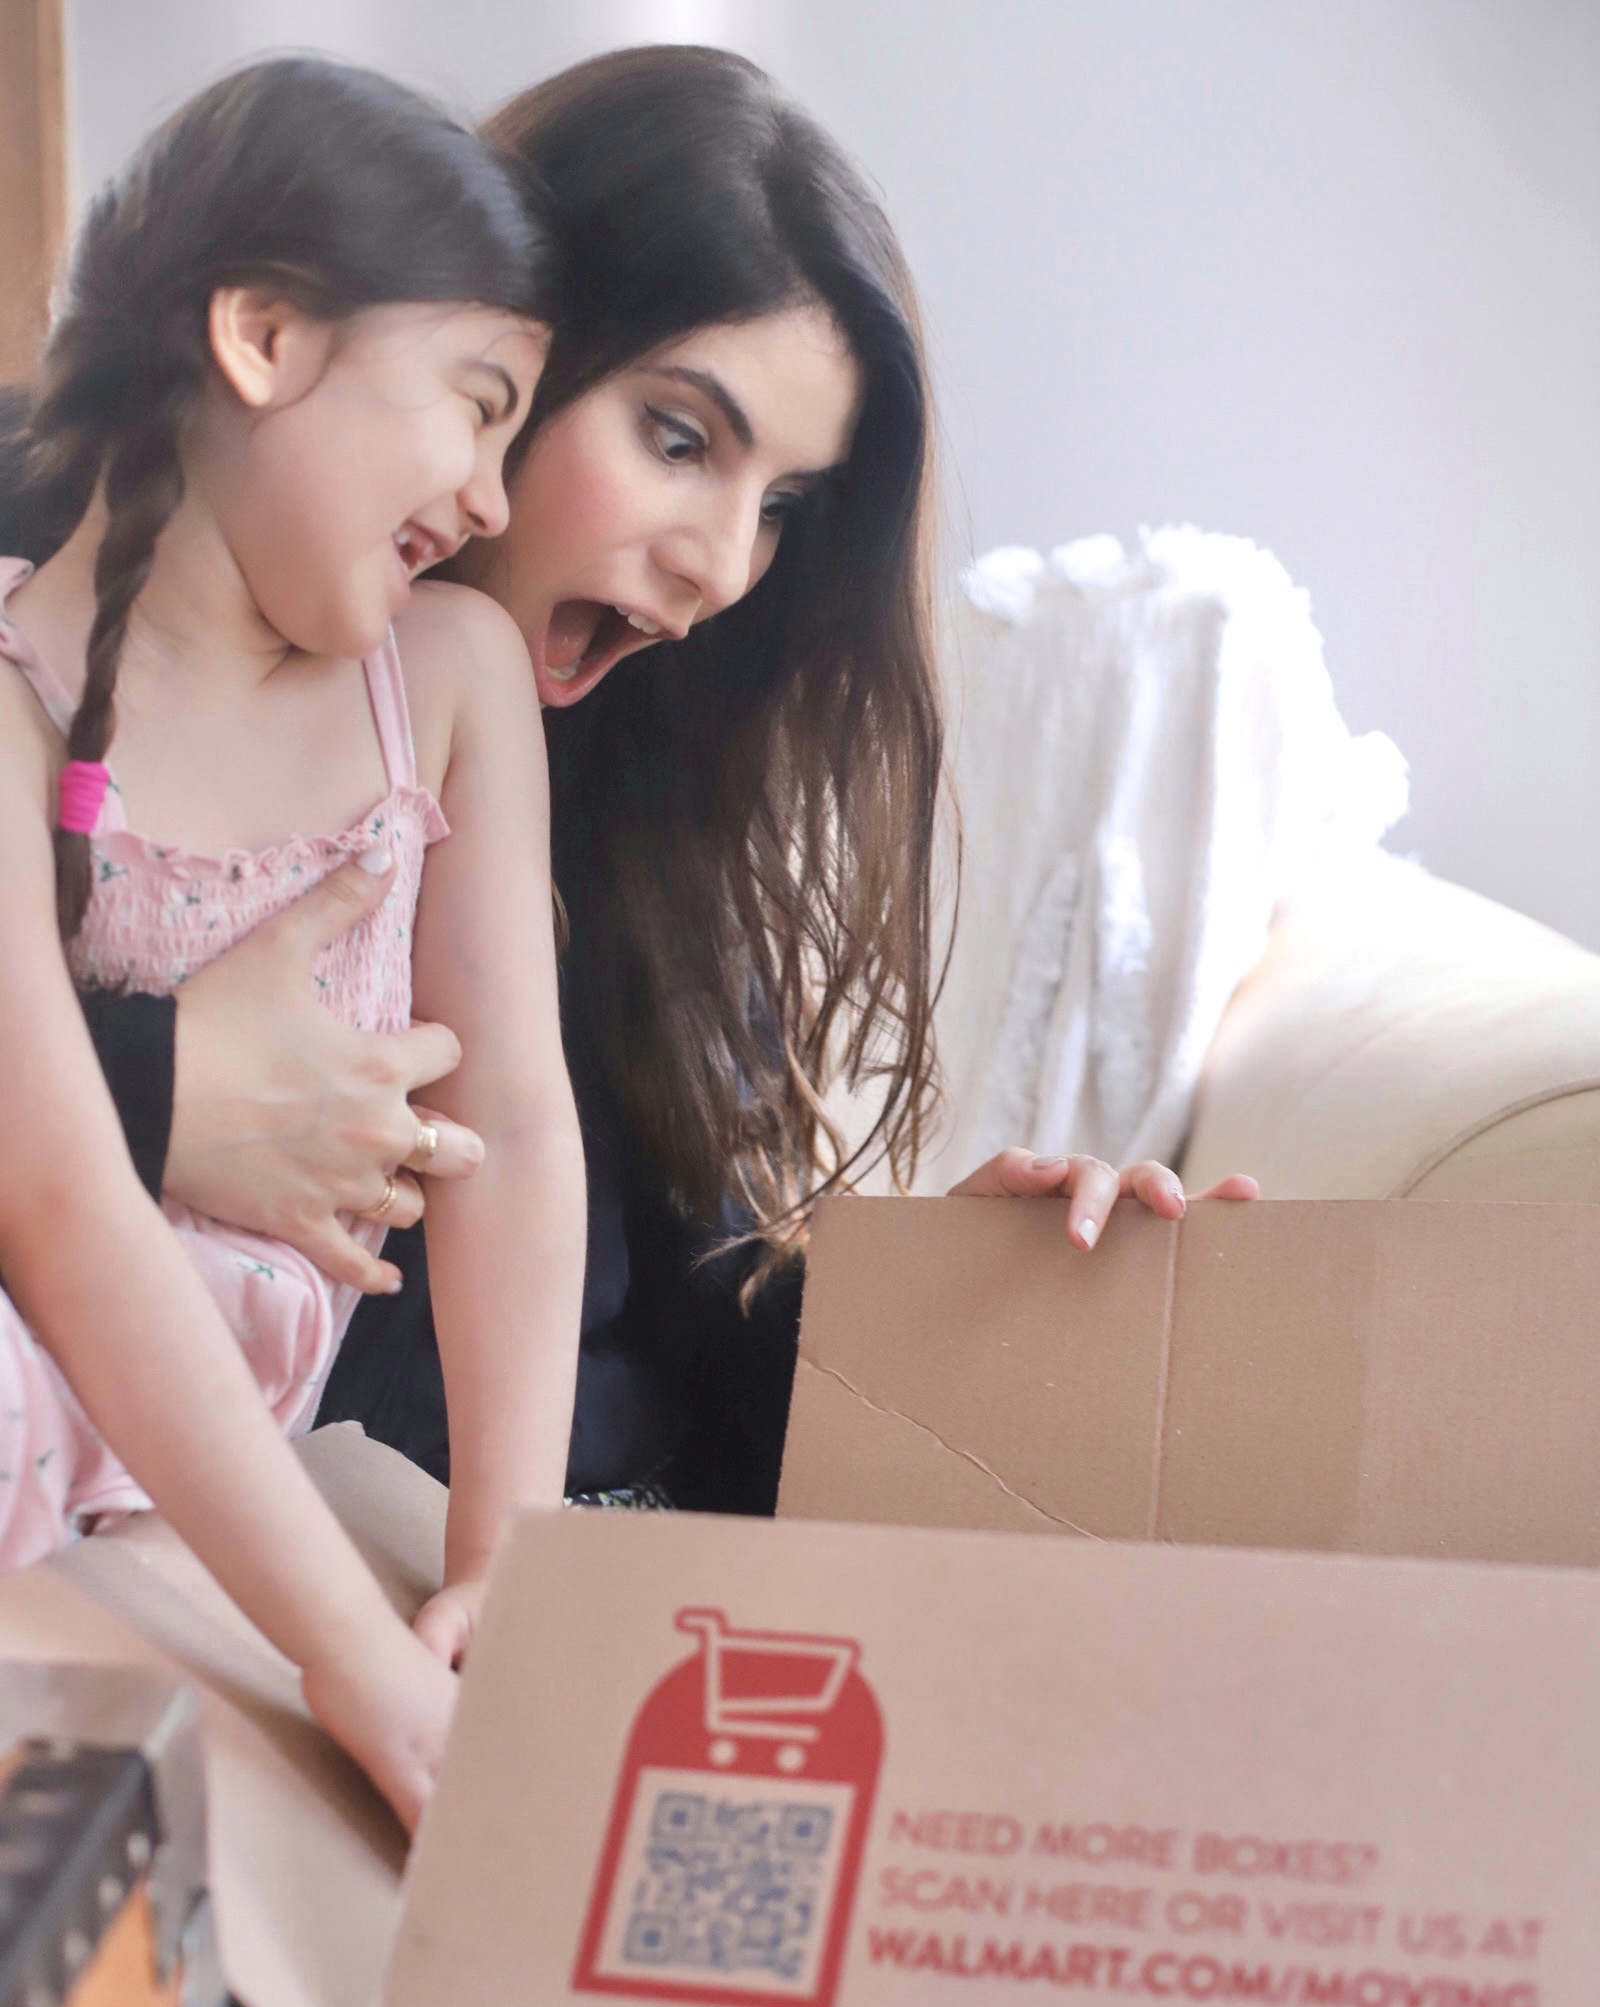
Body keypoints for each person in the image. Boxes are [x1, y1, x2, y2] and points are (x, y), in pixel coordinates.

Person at [78, 48, 1252, 1544]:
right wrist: (154, 1086)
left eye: (781, 505)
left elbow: (694, 1318)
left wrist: (958, 1310)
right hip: (230, 1543)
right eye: (679, 438)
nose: (722, 565)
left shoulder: (638, 748)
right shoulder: (64, 561)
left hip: (576, 1558)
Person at [0, 57, 585, 1825]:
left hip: (200, 1464)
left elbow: (516, 1126)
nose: (493, 496)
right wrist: (357, 1664)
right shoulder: (16, 710)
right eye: (476, 406)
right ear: (261, 336)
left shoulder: (451, 681)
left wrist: (511, 1550)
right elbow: (62, 1202)